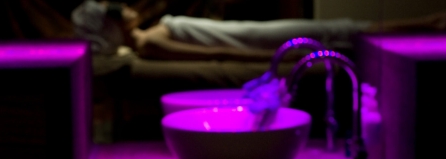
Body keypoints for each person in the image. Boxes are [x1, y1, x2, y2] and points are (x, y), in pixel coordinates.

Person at [71, 1, 446, 60]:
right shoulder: (149, 41)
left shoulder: (151, 27)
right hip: (259, 39)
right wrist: (259, 55)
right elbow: (213, 52)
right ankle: (427, 27)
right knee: (338, 31)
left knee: (338, 29)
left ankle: (427, 25)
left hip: (256, 31)